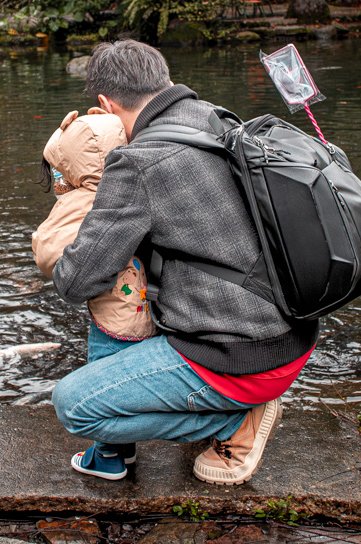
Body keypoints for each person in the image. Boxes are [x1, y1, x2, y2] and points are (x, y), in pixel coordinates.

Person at [50, 39, 320, 485]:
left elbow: (75, 281)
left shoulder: (137, 162)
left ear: (104, 104)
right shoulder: (219, 118)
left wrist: (76, 208)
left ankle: (235, 423)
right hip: (295, 333)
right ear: (164, 78)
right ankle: (229, 409)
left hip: (241, 358)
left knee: (75, 406)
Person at [31, 108, 157, 479]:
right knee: (129, 379)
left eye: (59, 168)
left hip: (113, 317)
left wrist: (63, 203)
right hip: (152, 308)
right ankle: (126, 449)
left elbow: (51, 254)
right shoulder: (140, 181)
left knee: (105, 382)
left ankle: (108, 457)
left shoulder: (86, 200)